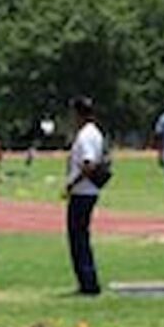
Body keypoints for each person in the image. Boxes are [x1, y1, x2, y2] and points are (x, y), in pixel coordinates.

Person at [63, 96, 105, 296]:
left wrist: (72, 183)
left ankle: (88, 282)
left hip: (83, 191)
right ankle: (86, 280)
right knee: (80, 236)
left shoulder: (86, 135)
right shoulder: (92, 133)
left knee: (78, 237)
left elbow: (88, 164)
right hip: (87, 191)